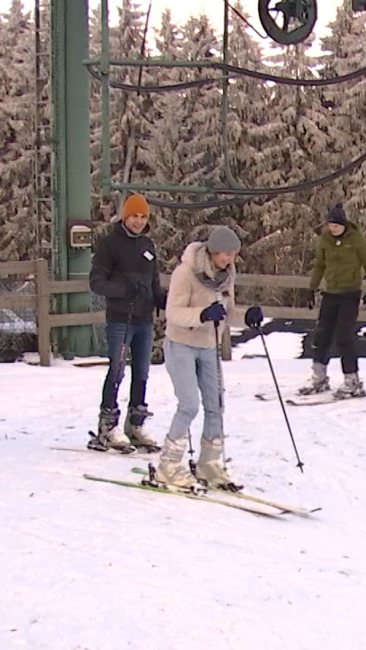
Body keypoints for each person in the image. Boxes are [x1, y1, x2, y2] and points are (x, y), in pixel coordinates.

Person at [154, 226, 266, 491]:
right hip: (181, 344)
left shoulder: (227, 276)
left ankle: (210, 461)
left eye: (233, 254)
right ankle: (168, 465)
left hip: (208, 346)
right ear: (213, 251)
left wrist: (247, 316)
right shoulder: (186, 272)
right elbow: (174, 313)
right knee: (189, 405)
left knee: (216, 403)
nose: (230, 259)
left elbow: (226, 312)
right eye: (226, 254)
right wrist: (203, 314)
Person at [87, 193, 165, 452]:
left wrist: (161, 300)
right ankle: (108, 423)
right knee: (118, 369)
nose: (139, 221)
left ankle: (136, 422)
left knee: (142, 371)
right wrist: (122, 290)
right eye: (134, 216)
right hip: (121, 318)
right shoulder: (110, 245)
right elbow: (96, 282)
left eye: (143, 217)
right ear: (125, 216)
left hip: (144, 319)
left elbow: (154, 281)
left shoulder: (148, 246)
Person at [298, 202, 366, 399]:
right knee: (321, 335)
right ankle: (319, 377)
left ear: (343, 225)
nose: (331, 229)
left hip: (350, 294)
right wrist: (311, 289)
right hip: (330, 293)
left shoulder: (356, 239)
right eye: (329, 226)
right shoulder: (325, 239)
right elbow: (319, 265)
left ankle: (352, 380)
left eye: (335, 226)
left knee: (344, 337)